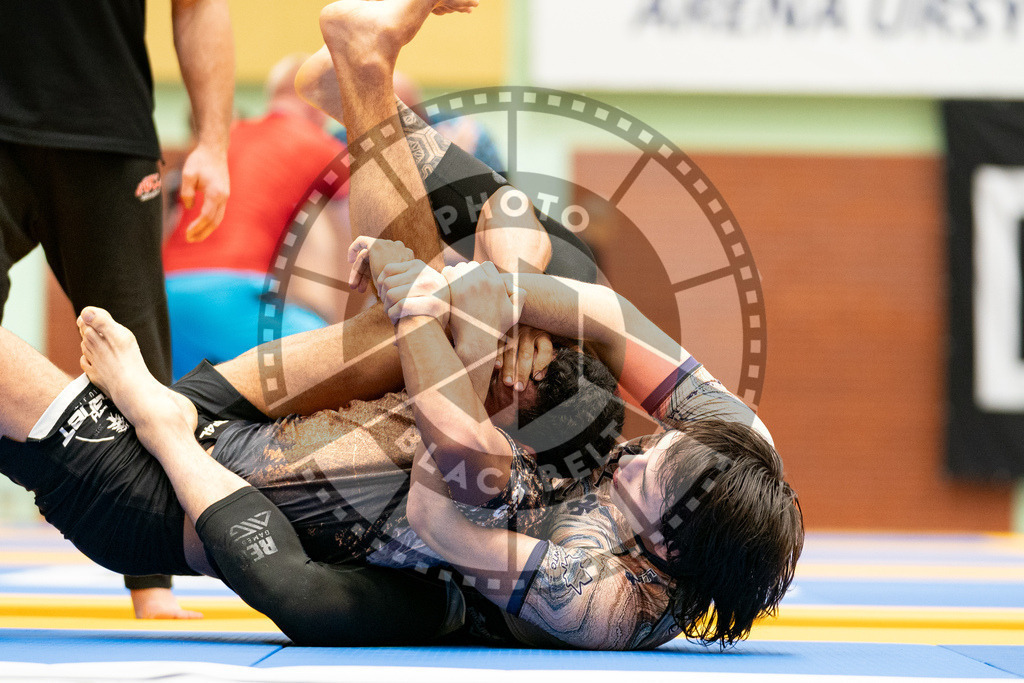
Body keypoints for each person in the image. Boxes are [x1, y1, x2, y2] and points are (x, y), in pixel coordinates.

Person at [0, 0, 801, 649]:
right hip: (288, 427)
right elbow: (607, 312)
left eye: (648, 478)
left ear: (667, 552)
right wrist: (475, 290)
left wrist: (161, 422)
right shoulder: (735, 442)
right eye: (656, 441)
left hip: (225, 492)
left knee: (461, 445)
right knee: (536, 280)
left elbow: (428, 517)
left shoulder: (605, 598)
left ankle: (364, 82)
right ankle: (365, 70)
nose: (637, 447)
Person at [0, 0, 234, 619]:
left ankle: (153, 582)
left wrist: (213, 141)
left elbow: (200, 5)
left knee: (135, 356)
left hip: (106, 127)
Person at [163, 54, 349, 381]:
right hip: (232, 294)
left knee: (187, 410)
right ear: (322, 104)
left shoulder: (226, 138)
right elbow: (360, 228)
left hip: (168, 293)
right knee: (339, 361)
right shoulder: (321, 144)